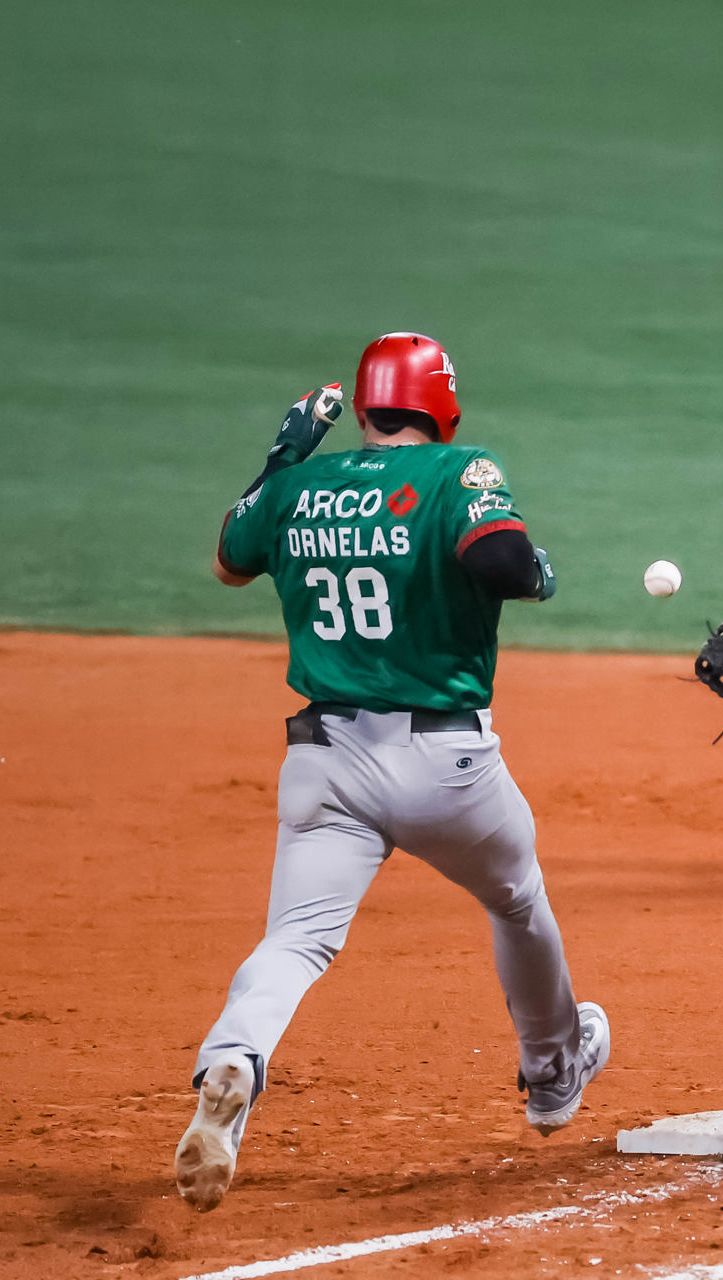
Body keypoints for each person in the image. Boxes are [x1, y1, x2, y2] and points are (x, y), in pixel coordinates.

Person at [174, 332, 610, 1212]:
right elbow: (501, 563)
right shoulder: (459, 472)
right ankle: (554, 1071)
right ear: (439, 406)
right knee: (516, 896)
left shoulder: (299, 484)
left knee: (296, 938)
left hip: (324, 760)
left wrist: (280, 457)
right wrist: (541, 575)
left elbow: (228, 560)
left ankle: (234, 1057)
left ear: (367, 408)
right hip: (445, 767)